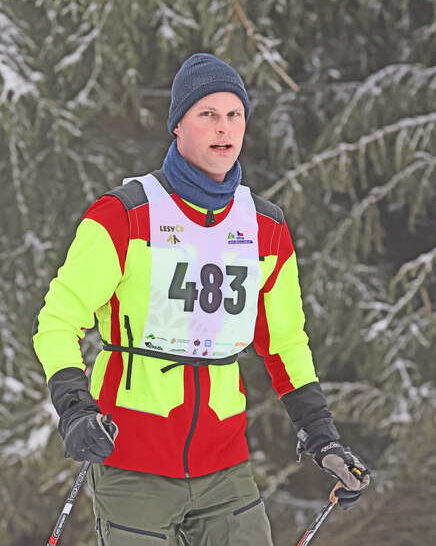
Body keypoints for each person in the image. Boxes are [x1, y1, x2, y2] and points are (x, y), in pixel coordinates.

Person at [33, 53, 370, 545]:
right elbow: (58, 321)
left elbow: (284, 343)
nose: (223, 127)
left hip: (224, 469)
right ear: (177, 125)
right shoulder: (125, 214)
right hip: (133, 462)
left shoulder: (265, 227)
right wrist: (75, 409)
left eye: (234, 114)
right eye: (206, 114)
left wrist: (322, 436)